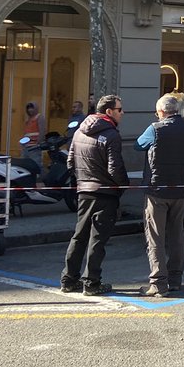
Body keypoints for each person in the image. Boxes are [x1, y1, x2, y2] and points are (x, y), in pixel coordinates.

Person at [61, 94, 129, 296]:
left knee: (79, 236)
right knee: (97, 239)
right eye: (119, 109)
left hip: (84, 191)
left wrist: (83, 180)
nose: (122, 113)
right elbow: (115, 168)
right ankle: (91, 283)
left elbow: (70, 162)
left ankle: (68, 279)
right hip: (105, 193)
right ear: (109, 112)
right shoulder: (111, 135)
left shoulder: (79, 131)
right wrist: (122, 186)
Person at [135, 94, 184, 297]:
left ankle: (158, 283)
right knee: (177, 235)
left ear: (161, 112)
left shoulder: (155, 129)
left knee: (156, 237)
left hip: (157, 190)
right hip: (180, 189)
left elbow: (138, 145)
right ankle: (176, 279)